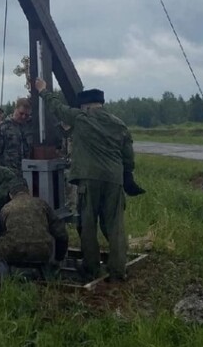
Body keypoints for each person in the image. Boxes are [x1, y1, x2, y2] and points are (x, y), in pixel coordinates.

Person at [35, 78, 142, 281]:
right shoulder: (119, 124)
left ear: (85, 105)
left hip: (89, 180)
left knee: (88, 224)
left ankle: (91, 268)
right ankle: (118, 271)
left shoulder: (81, 118)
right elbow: (128, 156)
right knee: (116, 226)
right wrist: (127, 175)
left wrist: (43, 90)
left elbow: (56, 107)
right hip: (114, 180)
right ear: (101, 103)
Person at [0, 179, 69, 279]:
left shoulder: (6, 208)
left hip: (14, 252)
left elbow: (0, 232)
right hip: (41, 252)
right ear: (28, 191)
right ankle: (49, 276)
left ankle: (4, 278)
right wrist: (59, 257)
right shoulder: (41, 204)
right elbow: (61, 233)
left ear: (10, 195)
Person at [0, 99, 32, 174]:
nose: (23, 117)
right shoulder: (3, 127)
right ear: (15, 110)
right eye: (21, 113)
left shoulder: (29, 128)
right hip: (8, 173)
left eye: (26, 115)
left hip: (27, 173)